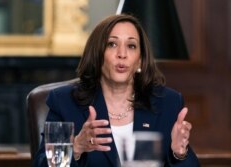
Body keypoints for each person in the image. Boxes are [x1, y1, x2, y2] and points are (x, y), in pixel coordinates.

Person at [34, 14, 200, 167]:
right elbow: (43, 164)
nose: (122, 54)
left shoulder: (167, 103)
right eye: (112, 44)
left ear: (140, 61)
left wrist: (179, 154)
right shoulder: (65, 102)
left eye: (131, 46)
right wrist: (76, 148)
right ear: (98, 55)